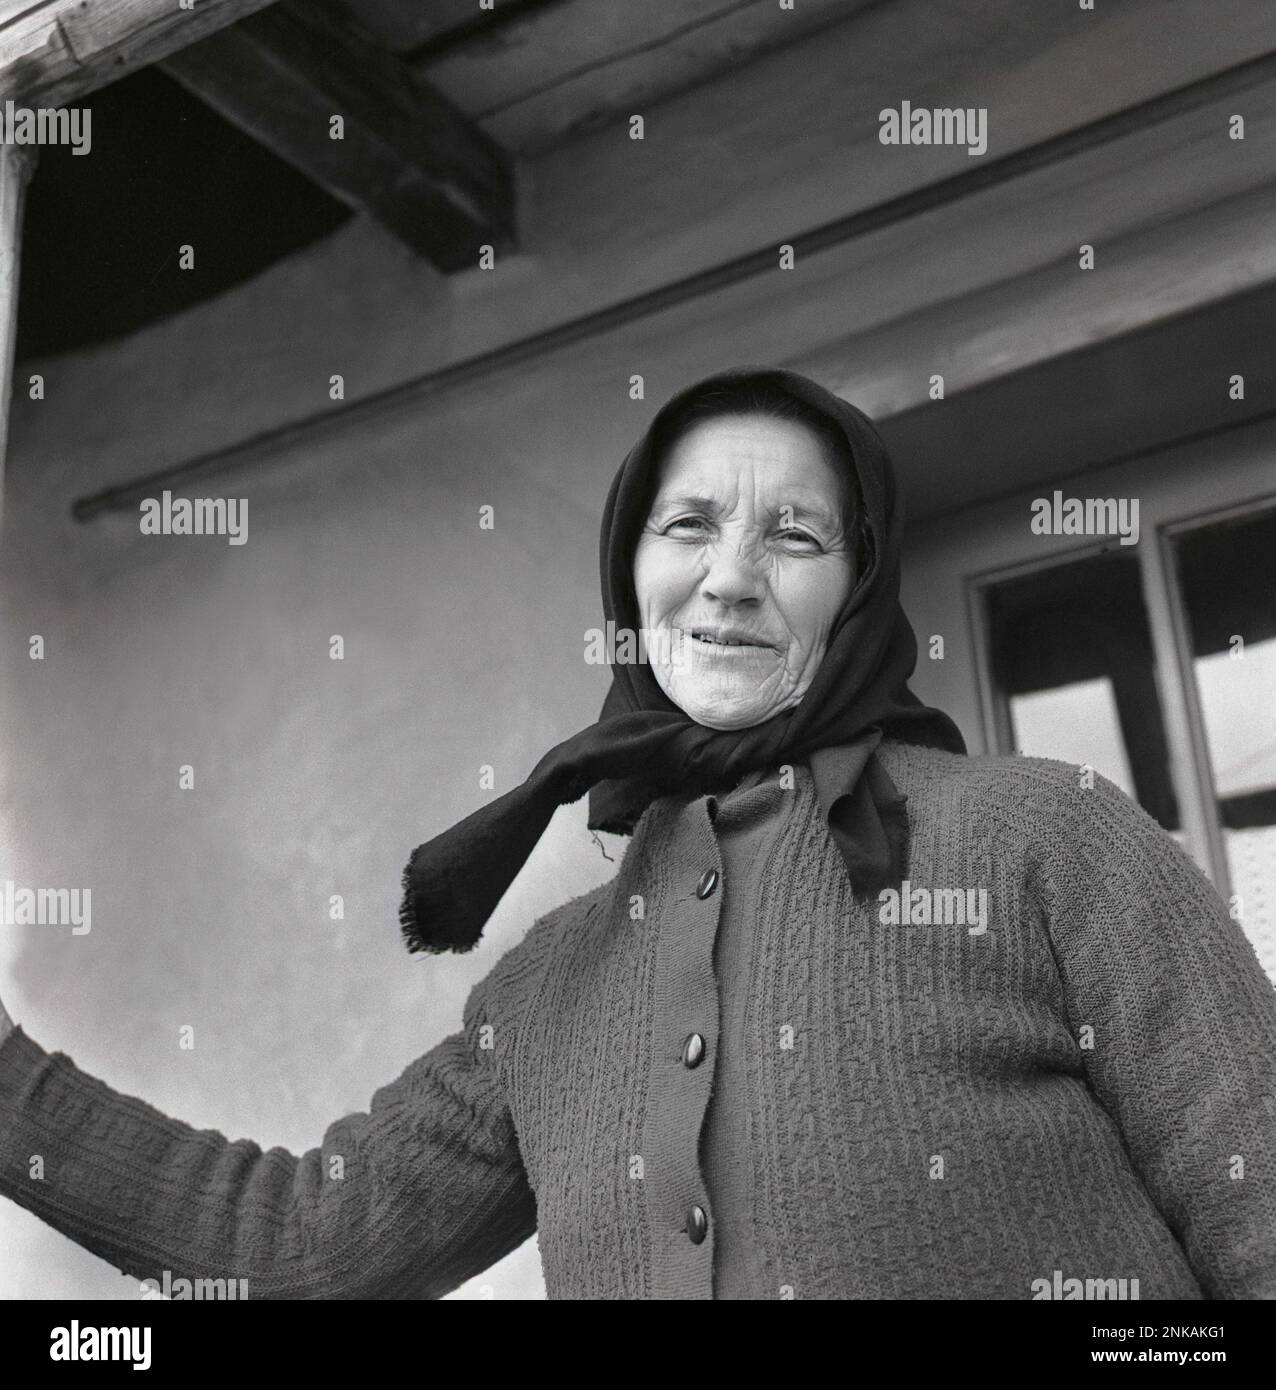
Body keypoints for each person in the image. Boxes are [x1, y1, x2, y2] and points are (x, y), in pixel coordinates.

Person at [1, 367, 1273, 1300]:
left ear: (858, 586)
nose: (730, 576)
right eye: (688, 526)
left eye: (795, 534)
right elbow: (290, 1249)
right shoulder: (550, 988)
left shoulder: (1050, 843)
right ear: (631, 573)